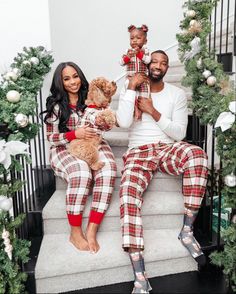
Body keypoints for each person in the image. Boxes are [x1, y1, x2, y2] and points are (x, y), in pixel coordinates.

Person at [116, 50, 208, 293]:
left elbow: (179, 134)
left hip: (167, 147)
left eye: (164, 63)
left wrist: (152, 111)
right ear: (146, 64)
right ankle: (140, 276)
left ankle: (187, 231)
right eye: (154, 61)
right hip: (138, 151)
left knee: (197, 155)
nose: (159, 66)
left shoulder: (176, 94)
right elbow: (123, 123)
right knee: (127, 194)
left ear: (167, 68)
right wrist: (130, 90)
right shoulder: (132, 90)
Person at [43, 62, 117, 254]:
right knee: (82, 174)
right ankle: (75, 231)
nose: (73, 82)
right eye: (66, 79)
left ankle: (92, 228)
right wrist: (75, 134)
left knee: (108, 170)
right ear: (60, 82)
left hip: (95, 143)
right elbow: (51, 137)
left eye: (75, 76)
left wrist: (103, 124)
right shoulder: (56, 105)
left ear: (80, 76)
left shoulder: (91, 95)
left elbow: (106, 123)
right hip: (64, 148)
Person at [120, 24, 151, 121]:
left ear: (145, 41)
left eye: (138, 38)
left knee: (144, 95)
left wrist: (139, 54)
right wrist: (128, 57)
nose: (134, 40)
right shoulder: (128, 51)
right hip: (130, 79)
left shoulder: (146, 51)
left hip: (143, 79)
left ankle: (141, 110)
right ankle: (134, 109)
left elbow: (148, 61)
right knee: (130, 95)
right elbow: (121, 63)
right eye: (132, 38)